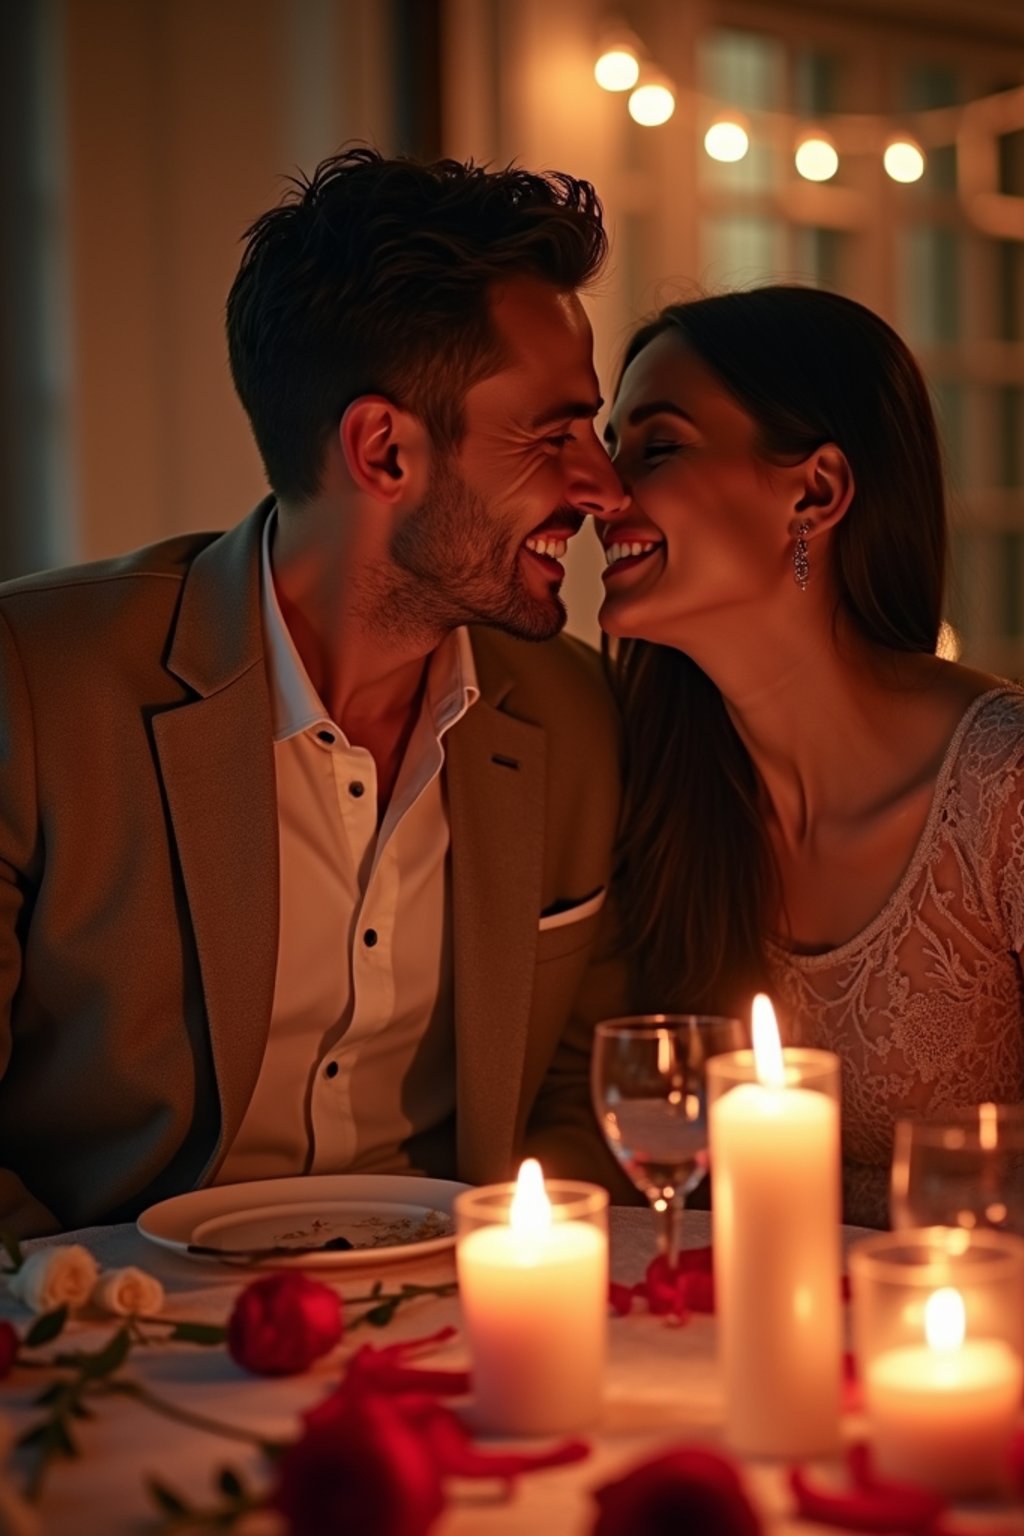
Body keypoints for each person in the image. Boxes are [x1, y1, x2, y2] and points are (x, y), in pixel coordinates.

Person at [0, 148, 634, 1239]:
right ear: (383, 451)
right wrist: (80, 1317)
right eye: (552, 432)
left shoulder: (575, 718)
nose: (602, 484)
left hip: (460, 1326)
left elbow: (581, 1091)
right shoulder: (36, 686)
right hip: (110, 1339)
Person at [599, 285, 1024, 1229]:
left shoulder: (1008, 792)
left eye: (656, 447)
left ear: (816, 491)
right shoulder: (655, 787)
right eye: (608, 448)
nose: (598, 491)